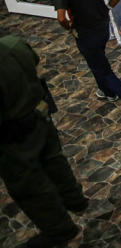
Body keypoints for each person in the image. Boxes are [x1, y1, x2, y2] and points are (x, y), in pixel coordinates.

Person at [0, 34, 88, 248]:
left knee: (29, 184)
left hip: (13, 135)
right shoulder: (13, 44)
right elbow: (34, 63)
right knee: (54, 160)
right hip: (39, 115)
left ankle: (61, 231)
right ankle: (74, 199)